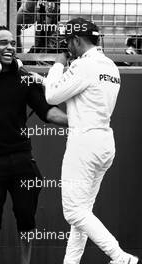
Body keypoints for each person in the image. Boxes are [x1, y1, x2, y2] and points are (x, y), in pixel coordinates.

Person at [44, 17, 141, 264]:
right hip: (104, 142)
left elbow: (52, 95)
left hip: (84, 142)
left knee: (74, 212)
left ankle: (120, 257)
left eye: (68, 42)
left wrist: (57, 65)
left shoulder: (84, 66)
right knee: (83, 214)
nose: (67, 47)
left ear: (76, 40)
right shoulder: (110, 65)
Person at [0, 25, 68, 264]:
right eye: (3, 43)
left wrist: (81, 122)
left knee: (26, 217)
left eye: (12, 43)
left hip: (22, 158)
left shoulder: (23, 77)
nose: (10, 47)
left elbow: (48, 113)